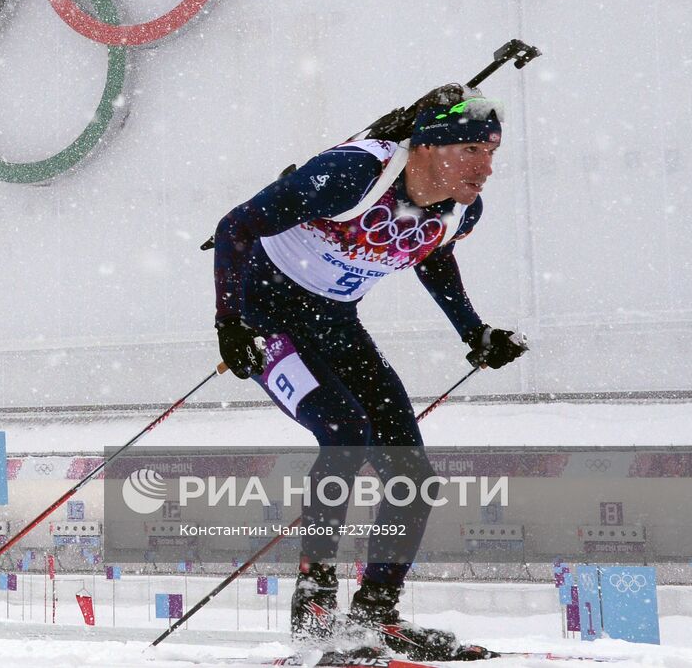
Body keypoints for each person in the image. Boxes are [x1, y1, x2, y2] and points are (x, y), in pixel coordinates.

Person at [210, 90, 528, 661]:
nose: (486, 168)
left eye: (492, 153)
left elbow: (430, 252)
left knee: (414, 477)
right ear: (426, 147)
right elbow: (235, 226)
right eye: (473, 150)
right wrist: (230, 324)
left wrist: (472, 332)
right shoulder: (355, 175)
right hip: (269, 316)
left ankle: (374, 618)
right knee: (344, 433)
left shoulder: (461, 207)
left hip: (334, 322)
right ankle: (314, 617)